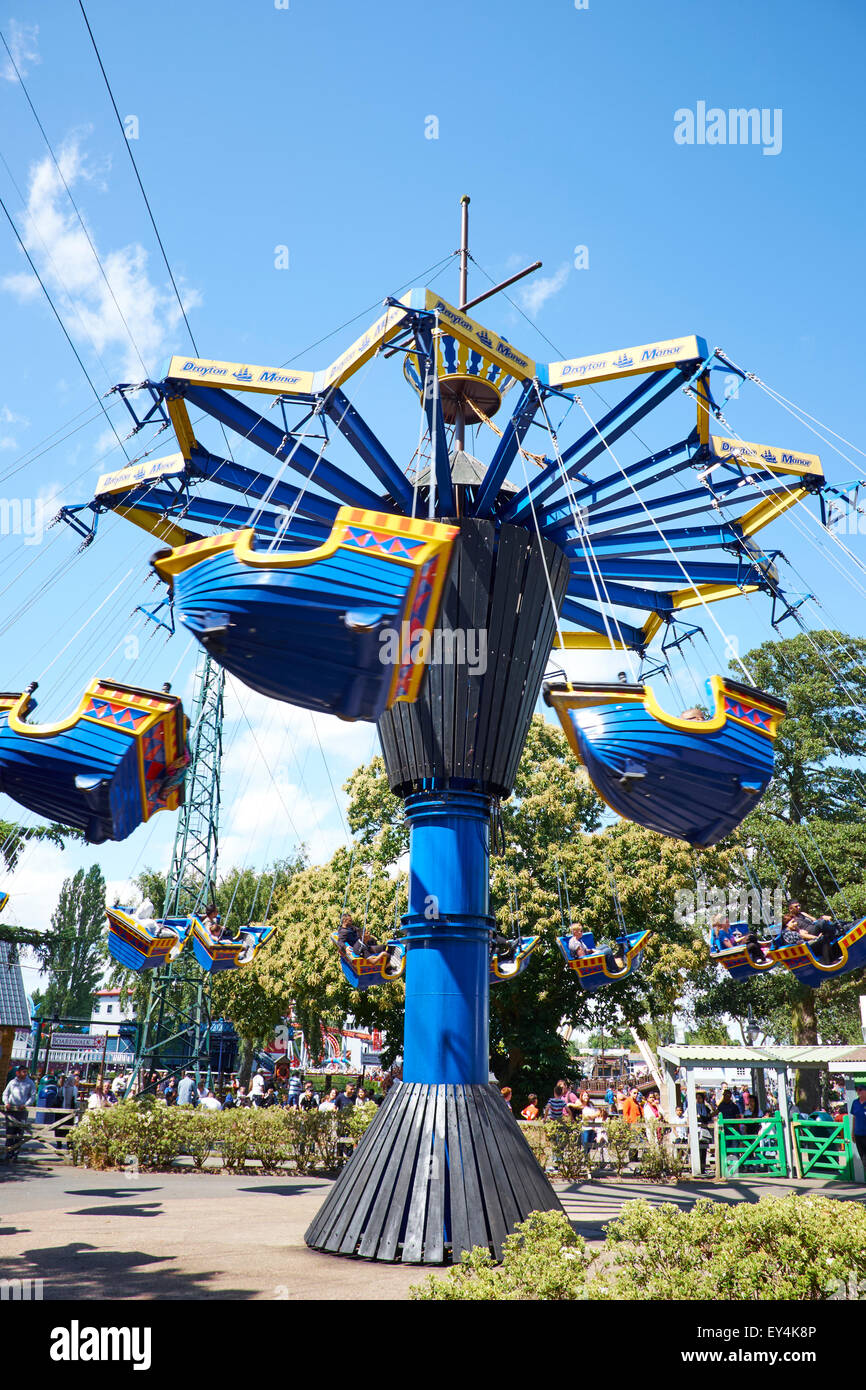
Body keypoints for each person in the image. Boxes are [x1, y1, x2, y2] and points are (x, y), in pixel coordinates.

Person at [3, 1065, 35, 1161]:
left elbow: (32, 1096)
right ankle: (8, 1153)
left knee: (19, 1133)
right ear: (18, 1072)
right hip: (11, 1110)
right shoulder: (12, 1082)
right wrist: (6, 1102)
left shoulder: (30, 1083)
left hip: (22, 1111)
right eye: (23, 1072)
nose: (25, 1074)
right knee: (9, 1133)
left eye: (26, 1072)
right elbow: (5, 1093)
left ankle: (15, 1153)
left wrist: (26, 1104)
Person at [850, 1084, 866, 1165]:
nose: (858, 1092)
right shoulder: (855, 1103)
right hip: (858, 1134)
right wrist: (852, 1133)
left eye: (860, 1090)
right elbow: (854, 1118)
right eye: (857, 1090)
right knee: (863, 1159)